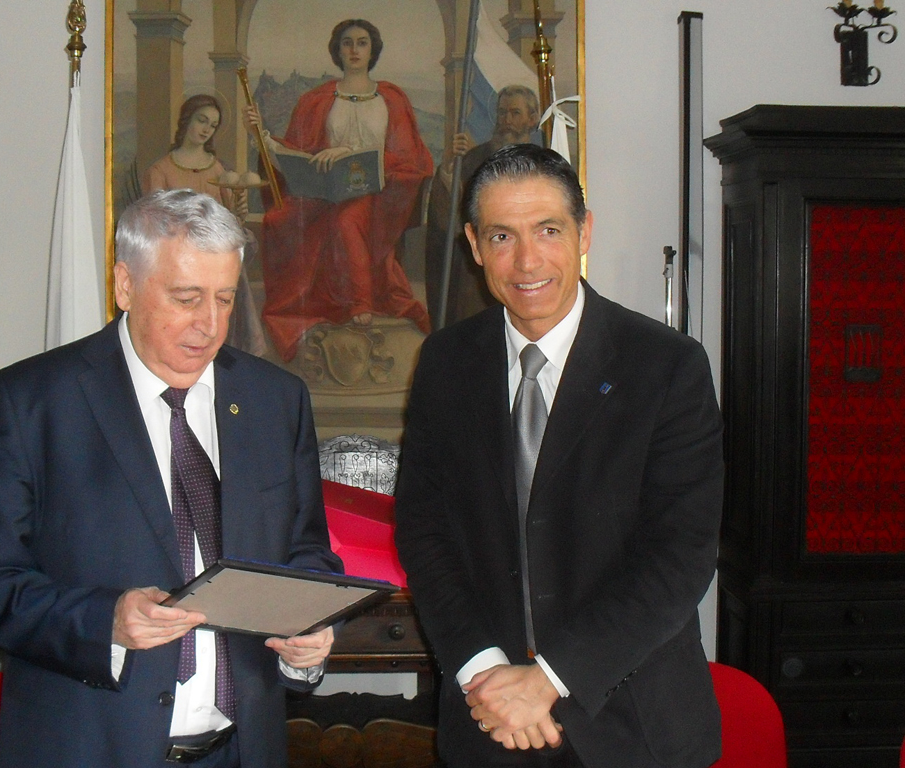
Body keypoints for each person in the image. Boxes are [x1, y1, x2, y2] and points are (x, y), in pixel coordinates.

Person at [0, 189, 343, 768]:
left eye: (225, 299)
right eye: (186, 298)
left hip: (242, 749)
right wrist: (103, 621)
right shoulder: (31, 401)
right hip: (88, 750)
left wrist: (309, 628)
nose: (210, 325)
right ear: (125, 285)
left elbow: (306, 549)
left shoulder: (275, 399)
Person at [394, 144, 723, 768]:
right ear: (473, 245)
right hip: (487, 719)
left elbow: (680, 554)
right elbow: (424, 530)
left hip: (632, 728)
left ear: (584, 232)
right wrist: (484, 672)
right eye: (502, 236)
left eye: (548, 230)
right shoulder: (444, 363)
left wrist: (548, 679)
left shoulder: (667, 366)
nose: (527, 261)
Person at [244, 19, 432, 362]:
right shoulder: (316, 99)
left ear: (372, 50)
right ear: (337, 50)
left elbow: (408, 156)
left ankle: (360, 301)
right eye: (347, 42)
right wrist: (262, 137)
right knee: (281, 220)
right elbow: (297, 152)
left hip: (380, 194)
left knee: (347, 220)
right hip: (325, 194)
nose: (354, 50)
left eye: (362, 42)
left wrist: (349, 153)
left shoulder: (391, 97)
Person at [144, 94, 267, 357]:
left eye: (212, 125)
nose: (206, 130)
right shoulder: (160, 170)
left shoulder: (218, 169)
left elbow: (230, 219)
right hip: (178, 258)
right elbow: (155, 224)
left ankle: (236, 346)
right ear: (186, 120)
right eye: (201, 120)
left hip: (215, 257)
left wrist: (239, 210)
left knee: (232, 272)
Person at [426, 85, 541, 325]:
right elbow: (451, 217)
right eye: (502, 113)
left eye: (515, 113)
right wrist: (449, 168)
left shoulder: (544, 163)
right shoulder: (474, 158)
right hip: (480, 277)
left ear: (532, 119)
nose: (506, 120)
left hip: (529, 265)